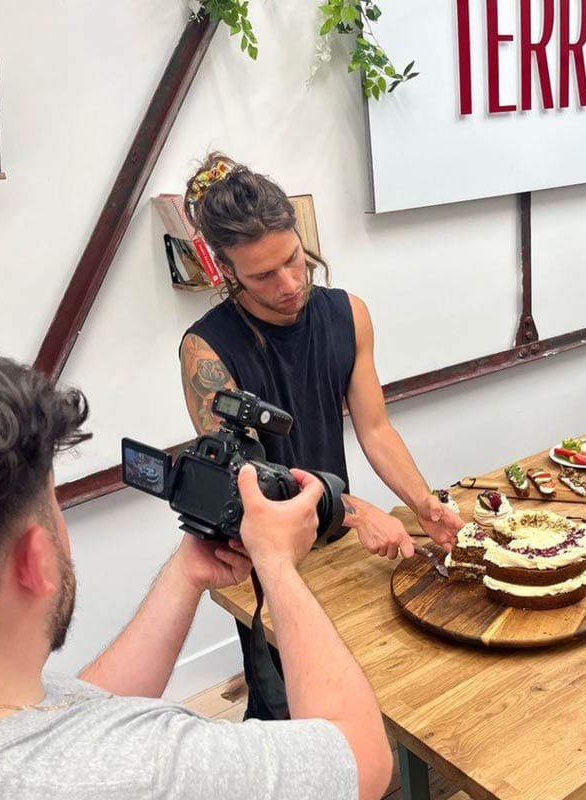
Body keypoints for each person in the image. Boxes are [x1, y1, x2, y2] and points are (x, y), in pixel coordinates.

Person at [0, 344, 392, 800]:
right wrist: (277, 563)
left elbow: (77, 710)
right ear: (35, 559)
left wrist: (187, 571)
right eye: (54, 506)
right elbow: (363, 761)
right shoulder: (147, 768)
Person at [179, 154, 465, 720]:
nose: (288, 285)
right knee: (287, 713)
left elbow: (376, 428)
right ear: (226, 270)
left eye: (293, 260)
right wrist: (358, 510)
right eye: (263, 275)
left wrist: (422, 503)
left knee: (357, 700)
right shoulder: (205, 351)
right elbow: (252, 488)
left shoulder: (347, 314)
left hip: (335, 545)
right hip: (265, 562)